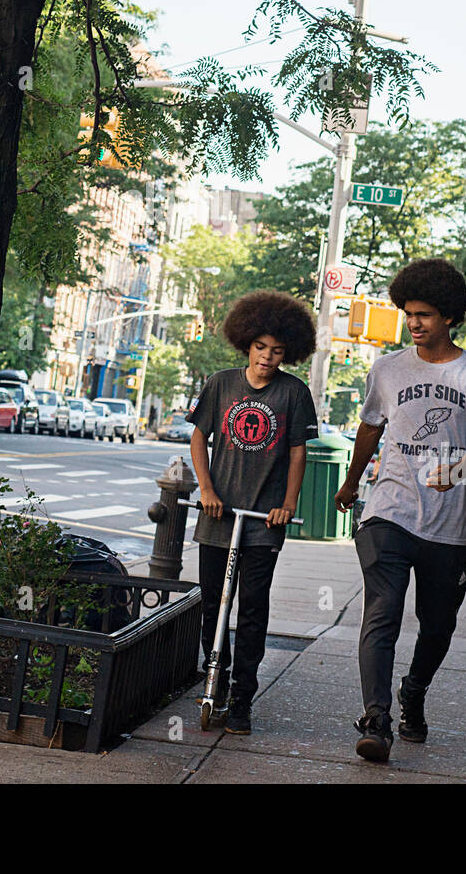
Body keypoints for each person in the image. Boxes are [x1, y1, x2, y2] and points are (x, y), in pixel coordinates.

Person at [334, 259, 466, 761]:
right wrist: (349, 483)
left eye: (425, 314)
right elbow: (370, 428)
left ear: (449, 316)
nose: (415, 323)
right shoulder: (387, 369)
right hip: (390, 511)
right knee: (381, 613)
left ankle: (414, 692)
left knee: (437, 626)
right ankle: (377, 719)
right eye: (409, 314)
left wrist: (459, 471)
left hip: (449, 526)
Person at [187, 289, 320, 736]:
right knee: (213, 607)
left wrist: (288, 504)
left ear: (289, 353)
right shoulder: (222, 383)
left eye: (277, 351)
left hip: (264, 523)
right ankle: (215, 683)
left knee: (252, 610)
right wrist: (206, 489)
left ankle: (243, 697)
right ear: (247, 343)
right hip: (217, 518)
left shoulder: (294, 393)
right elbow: (197, 439)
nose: (267, 357)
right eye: (261, 347)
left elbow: (298, 454)